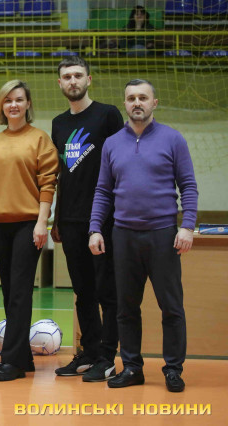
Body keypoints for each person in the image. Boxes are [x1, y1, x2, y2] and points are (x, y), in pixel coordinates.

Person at [89, 79, 198, 393]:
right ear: (125, 103)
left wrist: (187, 225)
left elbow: (188, 186)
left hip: (163, 235)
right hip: (123, 235)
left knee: (171, 307)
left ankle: (173, 370)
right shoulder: (112, 143)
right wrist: (95, 228)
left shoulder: (173, 139)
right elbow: (103, 191)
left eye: (143, 97)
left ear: (154, 103)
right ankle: (132, 368)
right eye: (131, 98)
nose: (137, 103)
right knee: (126, 308)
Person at [51, 56, 124, 382]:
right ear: (60, 83)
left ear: (89, 79)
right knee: (83, 292)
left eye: (78, 75)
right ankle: (90, 352)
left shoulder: (108, 115)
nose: (73, 81)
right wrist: (56, 218)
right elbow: (62, 174)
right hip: (70, 219)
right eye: (67, 76)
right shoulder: (58, 123)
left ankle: (107, 357)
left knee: (107, 291)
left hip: (104, 220)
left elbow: (122, 163)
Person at [0, 81, 59, 381]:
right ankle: (24, 357)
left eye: (19, 99)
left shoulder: (40, 139)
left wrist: (42, 222)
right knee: (9, 292)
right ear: (2, 106)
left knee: (19, 291)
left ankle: (13, 361)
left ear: (28, 104)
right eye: (8, 100)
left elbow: (48, 183)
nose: (13, 105)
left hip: (28, 224)